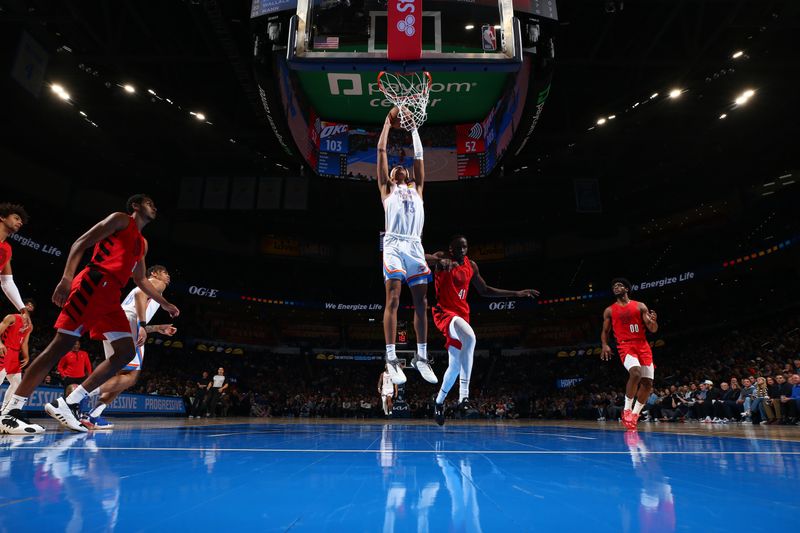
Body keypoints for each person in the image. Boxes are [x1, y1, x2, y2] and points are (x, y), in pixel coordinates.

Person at [0, 194, 179, 434]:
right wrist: (66, 278)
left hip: (111, 296)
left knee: (126, 352)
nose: (154, 206)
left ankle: (68, 402)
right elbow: (81, 242)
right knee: (61, 345)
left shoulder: (142, 244)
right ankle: (12, 412)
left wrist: (165, 304)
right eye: (149, 202)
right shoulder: (120, 220)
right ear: (135, 206)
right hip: (93, 283)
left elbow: (139, 280)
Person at [426, 235, 538, 426]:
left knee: (453, 367)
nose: (462, 250)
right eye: (458, 248)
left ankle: (437, 403)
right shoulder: (443, 260)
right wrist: (438, 260)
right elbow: (421, 257)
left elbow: (485, 290)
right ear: (451, 250)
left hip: (462, 315)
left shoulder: (472, 266)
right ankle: (464, 398)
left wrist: (516, 293)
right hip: (445, 314)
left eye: (465, 247)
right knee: (470, 337)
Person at [377, 106, 436, 386]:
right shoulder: (387, 190)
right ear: (390, 175)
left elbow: (420, 156)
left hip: (415, 246)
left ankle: (420, 356)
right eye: (394, 168)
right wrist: (388, 124)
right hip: (394, 244)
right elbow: (381, 153)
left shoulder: (418, 188)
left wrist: (413, 127)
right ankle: (390, 356)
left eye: (402, 167)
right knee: (393, 299)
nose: (398, 168)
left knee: (421, 303)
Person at [81, 265, 177, 430]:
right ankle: (81, 394)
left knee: (122, 378)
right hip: (129, 323)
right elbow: (140, 296)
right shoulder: (155, 284)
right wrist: (141, 325)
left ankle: (92, 415)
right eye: (165, 272)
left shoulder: (149, 289)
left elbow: (133, 309)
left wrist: (157, 328)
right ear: (154, 273)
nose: (168, 276)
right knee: (131, 377)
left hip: (118, 322)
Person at [600, 278, 659, 430]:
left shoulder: (640, 306)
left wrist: (654, 321)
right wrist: (605, 345)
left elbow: (653, 329)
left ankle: (635, 414)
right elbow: (605, 331)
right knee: (636, 373)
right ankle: (626, 409)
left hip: (643, 345)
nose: (616, 287)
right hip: (625, 345)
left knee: (647, 383)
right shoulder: (609, 310)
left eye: (619, 285)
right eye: (614, 286)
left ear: (626, 289)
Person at [0, 203, 32, 332]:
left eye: (21, 221)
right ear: (2, 217)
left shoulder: (7, 249)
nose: (20, 222)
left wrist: (22, 309)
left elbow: (7, 281)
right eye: (16, 218)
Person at [0, 298, 35, 411]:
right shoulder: (11, 317)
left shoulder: (30, 326)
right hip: (5, 351)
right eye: (27, 304)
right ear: (21, 306)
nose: (29, 306)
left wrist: (26, 356)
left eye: (31, 305)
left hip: (15, 355)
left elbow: (24, 343)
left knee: (17, 384)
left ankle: (4, 410)